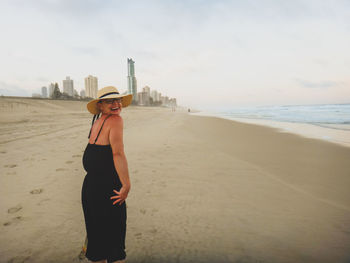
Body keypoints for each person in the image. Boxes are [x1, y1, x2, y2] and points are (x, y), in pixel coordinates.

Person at [81, 86, 133, 263]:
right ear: (100, 105)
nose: (116, 104)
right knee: (114, 242)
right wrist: (126, 184)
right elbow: (117, 153)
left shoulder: (98, 120)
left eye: (118, 100)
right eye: (110, 101)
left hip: (90, 187)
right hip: (107, 189)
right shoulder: (115, 121)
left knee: (97, 238)